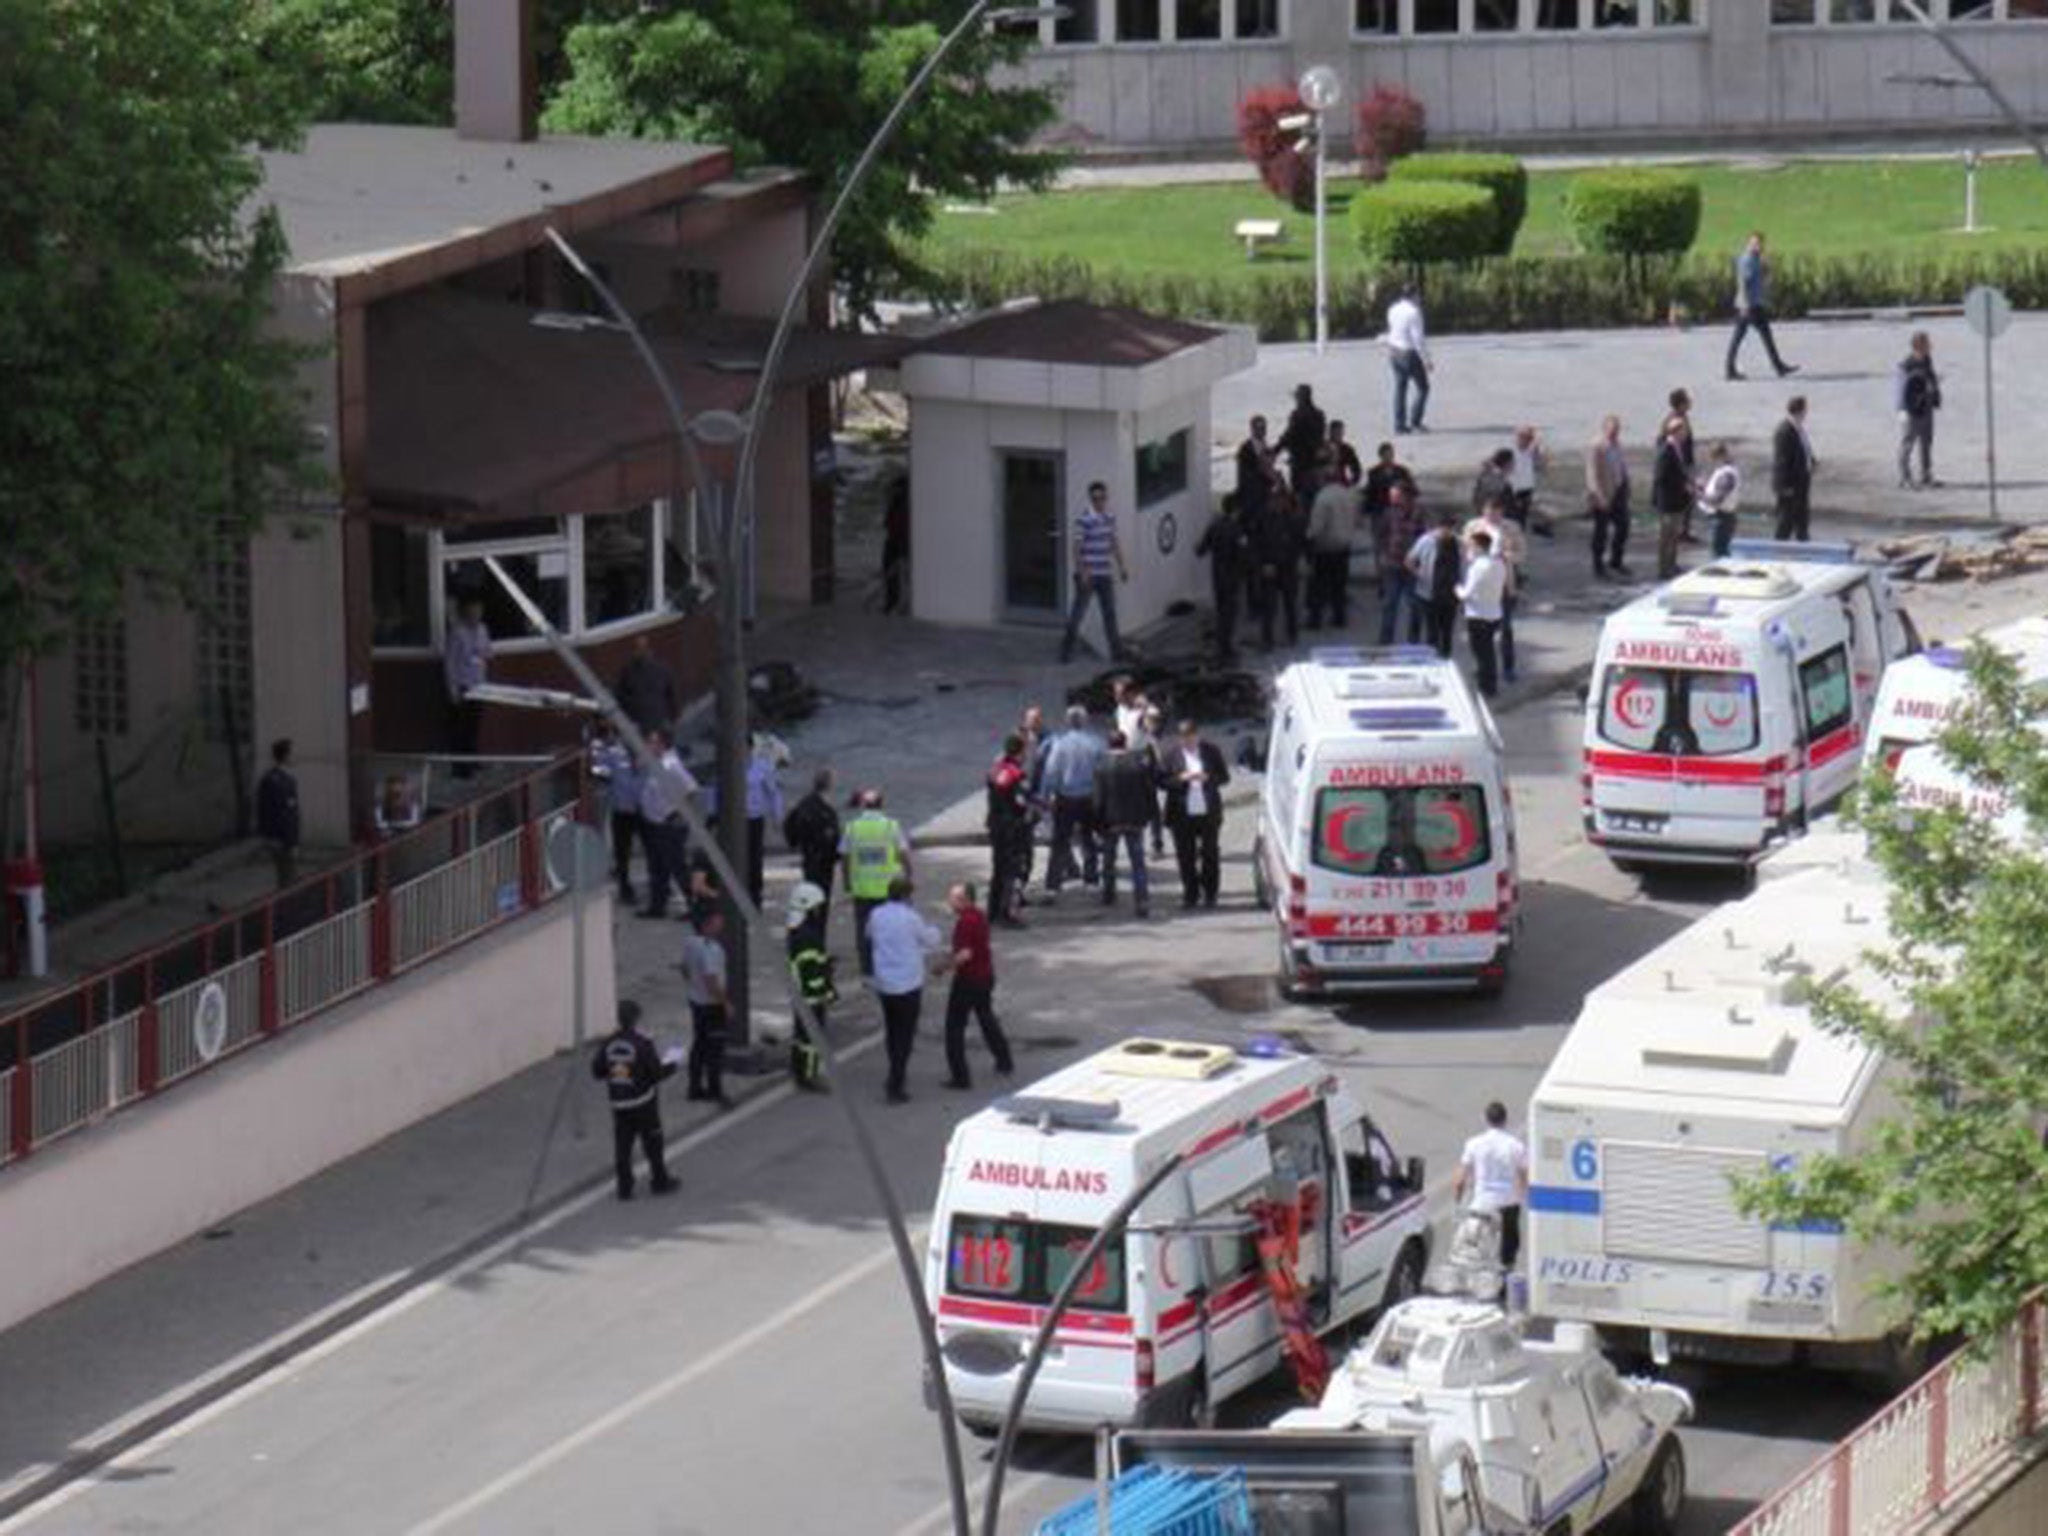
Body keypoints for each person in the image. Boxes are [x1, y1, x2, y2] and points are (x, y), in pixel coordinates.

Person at [590, 999, 678, 1201]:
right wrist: (672, 1064)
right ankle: (659, 1180)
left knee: (623, 1145)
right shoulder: (643, 1044)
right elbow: (656, 1073)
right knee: (653, 1141)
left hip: (619, 1103)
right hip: (643, 1102)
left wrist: (616, 1073)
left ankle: (624, 1187)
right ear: (636, 1019)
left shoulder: (609, 1043)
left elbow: (597, 1071)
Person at [868, 876, 941, 1104]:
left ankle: (895, 1071)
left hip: (885, 983)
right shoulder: (911, 918)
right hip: (908, 984)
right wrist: (934, 929)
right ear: (907, 896)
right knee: (905, 1035)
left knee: (892, 1030)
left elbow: (868, 935)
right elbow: (931, 941)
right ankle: (895, 1081)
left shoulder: (877, 914)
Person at [942, 882, 1013, 1091]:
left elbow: (965, 954)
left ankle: (960, 1076)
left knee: (954, 1027)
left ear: (964, 900)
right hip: (985, 976)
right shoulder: (979, 916)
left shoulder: (965, 922)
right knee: (986, 1018)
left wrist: (944, 967)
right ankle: (1004, 1059)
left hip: (968, 980)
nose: (949, 902)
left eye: (953, 898)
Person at [1058, 480, 1131, 665]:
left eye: (1102, 498)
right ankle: (1065, 651)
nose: (1099, 502)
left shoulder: (1109, 517)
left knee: (1110, 613)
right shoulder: (1084, 520)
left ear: (1106, 498)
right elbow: (1076, 547)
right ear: (1091, 499)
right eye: (1095, 498)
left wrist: (1122, 566)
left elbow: (1113, 542)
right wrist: (1082, 571)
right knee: (1078, 614)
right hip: (1089, 575)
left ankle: (1117, 652)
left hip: (1104, 573)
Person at [1160, 719, 1230, 909]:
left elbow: (1224, 777)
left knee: (1210, 853)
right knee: (1185, 855)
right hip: (1182, 813)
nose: (1188, 743)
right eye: (1184, 739)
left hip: (1207, 811)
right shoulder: (1171, 755)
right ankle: (1190, 894)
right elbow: (1162, 781)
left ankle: (1210, 893)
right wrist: (1181, 779)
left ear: (1197, 736)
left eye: (1191, 738)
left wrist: (1208, 778)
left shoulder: (1211, 751)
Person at [840, 788, 911, 976]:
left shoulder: (852, 827)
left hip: (862, 889)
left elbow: (845, 858)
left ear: (863, 805)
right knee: (887, 930)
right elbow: (904, 854)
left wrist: (846, 881)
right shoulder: (891, 826)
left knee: (864, 932)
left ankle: (867, 970)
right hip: (887, 890)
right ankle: (886, 967)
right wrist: (909, 876)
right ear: (881, 805)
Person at [1454, 1101, 1529, 1269]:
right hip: (1509, 1203)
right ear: (1505, 1120)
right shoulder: (1516, 1146)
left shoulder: (1474, 1144)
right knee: (1508, 1252)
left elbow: (1460, 1179)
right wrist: (1523, 1197)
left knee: (1474, 1247)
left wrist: (1458, 1200)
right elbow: (1524, 1177)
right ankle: (1506, 1274)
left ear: (1485, 1119)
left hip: (1482, 1203)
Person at [1040, 705, 1105, 896]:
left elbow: (1051, 772)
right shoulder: (1096, 743)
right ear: (1085, 722)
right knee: (1088, 839)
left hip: (1065, 797)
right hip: (1088, 797)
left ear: (1067, 723)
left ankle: (1053, 884)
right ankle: (1091, 879)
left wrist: (1045, 797)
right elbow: (1102, 771)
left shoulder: (1059, 744)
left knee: (1060, 841)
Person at [1093, 729, 1157, 918]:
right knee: (1137, 861)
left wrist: (1096, 821)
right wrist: (1149, 814)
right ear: (1125, 743)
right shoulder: (1138, 764)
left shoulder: (1102, 766)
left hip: (1110, 819)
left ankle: (1109, 893)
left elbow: (1098, 798)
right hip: (1134, 818)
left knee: (1109, 859)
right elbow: (1149, 792)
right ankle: (1142, 899)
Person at [637, 728, 698, 920]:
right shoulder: (656, 764)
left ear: (662, 744)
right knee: (657, 867)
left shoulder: (671, 765)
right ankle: (657, 905)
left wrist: (680, 814)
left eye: (652, 742)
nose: (648, 746)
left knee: (677, 866)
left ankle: (695, 907)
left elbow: (691, 789)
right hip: (654, 822)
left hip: (668, 823)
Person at [1463, 498, 1526, 683]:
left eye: (1496, 512)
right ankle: (1483, 666)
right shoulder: (1473, 527)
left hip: (1503, 583)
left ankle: (1508, 666)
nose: (1492, 516)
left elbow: (1521, 553)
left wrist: (1505, 556)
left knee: (1505, 628)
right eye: (1489, 511)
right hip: (1480, 585)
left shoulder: (1511, 528)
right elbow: (1466, 551)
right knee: (1480, 631)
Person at [1726, 230, 1797, 382]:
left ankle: (1730, 369)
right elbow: (1743, 283)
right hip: (1750, 306)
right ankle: (1778, 367)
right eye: (1755, 243)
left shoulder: (1755, 259)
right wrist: (1745, 305)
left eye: (1760, 243)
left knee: (1739, 337)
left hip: (1752, 304)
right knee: (1765, 335)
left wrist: (1765, 268)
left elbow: (1761, 277)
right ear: (1749, 243)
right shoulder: (1747, 260)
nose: (1759, 246)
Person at [785, 882, 836, 1092]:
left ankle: (798, 1068)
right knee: (811, 1038)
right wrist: (826, 992)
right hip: (810, 996)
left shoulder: (796, 932)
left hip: (798, 992)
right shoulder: (809, 937)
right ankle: (809, 1075)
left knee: (800, 1034)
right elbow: (812, 971)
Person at [680, 903, 732, 1108]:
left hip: (696, 1001)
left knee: (699, 1045)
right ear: (707, 924)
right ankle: (714, 1090)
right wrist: (725, 1003)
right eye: (718, 917)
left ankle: (694, 1087)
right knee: (714, 1049)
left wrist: (693, 985)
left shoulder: (690, 943)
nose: (722, 921)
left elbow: (684, 968)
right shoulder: (711, 949)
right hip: (712, 1006)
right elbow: (712, 979)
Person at [1303, 450, 1357, 632]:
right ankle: (1339, 616)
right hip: (1344, 544)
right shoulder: (1348, 495)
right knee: (1339, 584)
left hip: (1325, 546)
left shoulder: (1323, 498)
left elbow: (1317, 526)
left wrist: (1308, 538)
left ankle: (1315, 619)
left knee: (1319, 583)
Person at [984, 733, 1034, 928]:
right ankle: (1006, 914)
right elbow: (1022, 802)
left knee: (998, 869)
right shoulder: (1016, 774)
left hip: (995, 825)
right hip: (1011, 827)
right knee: (1011, 871)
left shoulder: (994, 770)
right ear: (1020, 752)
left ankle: (992, 911)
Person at [782, 766, 841, 927]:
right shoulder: (825, 811)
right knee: (821, 901)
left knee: (811, 898)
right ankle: (817, 938)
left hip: (809, 856)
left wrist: (794, 843)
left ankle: (811, 933)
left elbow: (789, 824)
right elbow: (832, 837)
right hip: (822, 860)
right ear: (829, 784)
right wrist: (837, 855)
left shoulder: (804, 804)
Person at [1195, 493, 1251, 663]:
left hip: (1217, 576)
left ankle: (1221, 646)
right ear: (1235, 509)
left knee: (1221, 611)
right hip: (1233, 577)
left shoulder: (1214, 526)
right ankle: (1226, 648)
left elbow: (1200, 550)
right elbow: (1243, 554)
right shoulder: (1237, 529)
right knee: (1230, 613)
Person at [593, 725, 642, 905]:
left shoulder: (640, 754)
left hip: (637, 809)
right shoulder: (615, 754)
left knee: (639, 850)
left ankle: (631, 888)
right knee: (624, 851)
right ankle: (626, 887)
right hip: (628, 809)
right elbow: (600, 773)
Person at [1459, 528, 1510, 699]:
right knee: (1488, 652)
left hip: (1477, 614)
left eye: (1471, 546)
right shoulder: (1499, 564)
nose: (1469, 550)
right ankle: (1491, 684)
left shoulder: (1478, 567)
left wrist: (1456, 589)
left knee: (1481, 653)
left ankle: (1485, 686)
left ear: (1479, 548)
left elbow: (1466, 593)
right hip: (1495, 613)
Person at [443, 596, 491, 778]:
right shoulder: (457, 633)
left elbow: (489, 651)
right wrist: (452, 689)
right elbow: (450, 662)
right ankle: (461, 768)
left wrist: (483, 652)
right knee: (460, 729)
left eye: (479, 613)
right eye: (473, 613)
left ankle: (473, 760)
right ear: (466, 613)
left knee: (474, 726)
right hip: (463, 686)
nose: (476, 616)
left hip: (479, 684)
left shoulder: (483, 630)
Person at [1254, 485, 1304, 651]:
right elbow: (1257, 544)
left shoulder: (1293, 519)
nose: (1276, 503)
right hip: (1269, 567)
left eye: (1280, 499)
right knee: (1269, 606)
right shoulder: (1263, 518)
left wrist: (1297, 560)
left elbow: (1298, 543)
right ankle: (1267, 639)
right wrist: (1263, 563)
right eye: (1274, 499)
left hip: (1288, 567)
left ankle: (1292, 634)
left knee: (1290, 603)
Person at [1408, 513, 1463, 660]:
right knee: (1432, 630)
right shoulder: (1426, 541)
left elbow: (1464, 564)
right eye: (1444, 529)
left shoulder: (1459, 542)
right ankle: (1432, 659)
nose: (1447, 533)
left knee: (1447, 630)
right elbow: (1410, 560)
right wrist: (1421, 575)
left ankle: (1445, 657)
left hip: (1451, 594)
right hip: (1429, 593)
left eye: (1451, 529)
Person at [1375, 482, 1424, 646]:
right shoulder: (1388, 513)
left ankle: (1413, 640)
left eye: (1395, 495)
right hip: (1392, 564)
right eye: (1391, 495)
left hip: (1412, 565)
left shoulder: (1419, 513)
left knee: (1415, 604)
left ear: (1405, 496)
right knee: (1390, 603)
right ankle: (1385, 640)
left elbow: (1425, 538)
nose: (1391, 498)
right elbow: (1381, 535)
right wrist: (1382, 556)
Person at [1585, 414, 1632, 580]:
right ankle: (1598, 565)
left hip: (1618, 491)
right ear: (1604, 428)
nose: (1615, 433)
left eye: (1617, 430)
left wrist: (1627, 485)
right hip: (1603, 494)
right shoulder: (1596, 446)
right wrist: (1598, 496)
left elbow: (1621, 466)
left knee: (1624, 527)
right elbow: (1592, 474)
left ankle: (1616, 560)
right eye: (1612, 430)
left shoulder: (1618, 444)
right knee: (1601, 532)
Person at [1895, 330, 1943, 490]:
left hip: (1926, 407)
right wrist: (1903, 410)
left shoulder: (1927, 361)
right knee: (1908, 443)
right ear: (1919, 345)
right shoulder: (1907, 365)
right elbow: (1902, 390)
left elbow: (1931, 379)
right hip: (1912, 409)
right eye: (1927, 343)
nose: (1930, 346)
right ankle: (1905, 477)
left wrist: (1935, 395)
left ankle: (1926, 474)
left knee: (1926, 442)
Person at [1651, 412, 1695, 581]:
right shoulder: (1666, 450)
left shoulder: (1677, 449)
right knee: (1666, 536)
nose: (1686, 434)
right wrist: (1682, 486)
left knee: (1673, 535)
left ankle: (1672, 564)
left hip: (1676, 500)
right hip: (1668, 501)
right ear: (1676, 431)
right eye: (1683, 431)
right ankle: (1664, 568)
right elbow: (1661, 477)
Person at [743, 735, 785, 908]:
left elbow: (773, 793)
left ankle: (755, 898)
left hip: (754, 818)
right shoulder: (730, 765)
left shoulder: (763, 767)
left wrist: (777, 818)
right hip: (734, 818)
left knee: (754, 858)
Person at [1384, 284, 1431, 434]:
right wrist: (1426, 359)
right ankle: (1415, 421)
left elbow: (1392, 328)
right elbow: (1418, 338)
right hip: (1408, 353)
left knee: (1400, 388)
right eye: (1418, 295)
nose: (1419, 298)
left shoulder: (1393, 309)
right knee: (1423, 388)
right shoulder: (1414, 312)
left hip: (1394, 351)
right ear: (1413, 295)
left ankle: (1399, 424)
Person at [255, 737, 300, 888]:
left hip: (278, 837)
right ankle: (287, 908)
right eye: (292, 753)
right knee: (288, 877)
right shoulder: (277, 782)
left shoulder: (277, 779)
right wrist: (291, 841)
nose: (295, 757)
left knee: (286, 876)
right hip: (282, 839)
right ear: (286, 756)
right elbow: (283, 815)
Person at [614, 635, 677, 739]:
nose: (641, 652)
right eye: (638, 649)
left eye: (643, 649)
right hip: (640, 724)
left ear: (649, 650)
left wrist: (671, 719)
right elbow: (620, 698)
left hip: (657, 723)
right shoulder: (627, 673)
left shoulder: (662, 671)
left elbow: (671, 696)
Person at [1772, 395, 1816, 543]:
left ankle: (1804, 546)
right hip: (1790, 485)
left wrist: (1812, 462)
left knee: (1802, 519)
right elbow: (1781, 460)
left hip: (1801, 482)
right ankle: (1777, 552)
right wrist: (1784, 486)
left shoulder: (1798, 428)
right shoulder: (1785, 431)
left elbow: (1805, 448)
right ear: (1799, 410)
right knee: (1785, 522)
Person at [1279, 383, 1328, 500]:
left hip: (1300, 464)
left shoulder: (1297, 415)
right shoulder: (1319, 415)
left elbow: (1289, 436)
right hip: (1315, 464)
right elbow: (1319, 438)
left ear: (1302, 397)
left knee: (1300, 496)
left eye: (1297, 397)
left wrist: (1275, 450)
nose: (1296, 400)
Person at [1697, 441, 1744, 559]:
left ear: (1719, 456)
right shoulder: (1726, 471)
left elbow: (1717, 499)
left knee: (1719, 553)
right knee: (1721, 550)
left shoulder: (1726, 474)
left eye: (1713, 458)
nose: (1712, 462)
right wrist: (1704, 488)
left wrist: (1698, 494)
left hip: (1721, 518)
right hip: (1725, 517)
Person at [1235, 415, 1281, 525]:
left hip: (1263, 491)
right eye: (1259, 428)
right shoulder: (1246, 448)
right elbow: (1249, 471)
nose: (1262, 431)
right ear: (1252, 429)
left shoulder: (1264, 444)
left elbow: (1267, 464)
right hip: (1251, 492)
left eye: (1264, 427)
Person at [1507, 425, 1546, 532]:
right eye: (1522, 436)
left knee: (1521, 518)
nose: (1526, 440)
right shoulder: (1510, 451)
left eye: (1529, 438)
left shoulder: (1531, 451)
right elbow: (1491, 463)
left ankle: (1518, 538)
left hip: (1527, 489)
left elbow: (1540, 467)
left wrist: (1537, 446)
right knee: (1511, 517)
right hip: (1512, 488)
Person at [881, 475, 910, 615]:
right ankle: (893, 603)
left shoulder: (903, 502)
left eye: (896, 488)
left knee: (898, 575)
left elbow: (890, 522)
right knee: (893, 574)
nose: (894, 491)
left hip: (900, 543)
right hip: (896, 542)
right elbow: (887, 522)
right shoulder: (897, 502)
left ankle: (896, 603)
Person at [1470, 448, 1513, 519]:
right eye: (1512, 462)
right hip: (1494, 518)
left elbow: (1475, 499)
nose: (1514, 465)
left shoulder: (1485, 475)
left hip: (1484, 516)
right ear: (1507, 463)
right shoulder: (1497, 480)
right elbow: (1499, 500)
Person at [1327, 420, 1364, 489]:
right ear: (1330, 432)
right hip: (1324, 485)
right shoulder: (1323, 447)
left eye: (1340, 431)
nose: (1338, 434)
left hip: (1341, 484)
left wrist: (1352, 483)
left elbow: (1356, 469)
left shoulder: (1347, 449)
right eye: (1335, 431)